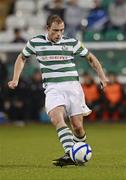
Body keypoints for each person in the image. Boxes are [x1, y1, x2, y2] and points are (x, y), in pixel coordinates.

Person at [8, 15, 108, 167]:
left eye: (61, 30)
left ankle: (77, 150)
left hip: (73, 87)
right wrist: (16, 78)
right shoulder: (35, 42)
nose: (59, 34)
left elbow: (91, 58)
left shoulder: (71, 43)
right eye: (55, 30)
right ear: (47, 28)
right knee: (56, 118)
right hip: (53, 88)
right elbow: (22, 58)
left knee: (78, 127)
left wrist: (102, 76)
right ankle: (71, 153)